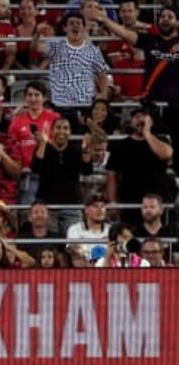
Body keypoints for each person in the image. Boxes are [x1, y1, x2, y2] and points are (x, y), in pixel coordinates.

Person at [88, 6, 179, 167]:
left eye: (170, 16)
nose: (165, 19)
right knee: (150, 149)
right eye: (162, 16)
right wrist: (105, 20)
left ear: (177, 22)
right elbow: (124, 33)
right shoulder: (151, 40)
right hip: (152, 105)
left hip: (176, 106)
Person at [32, 12, 109, 121]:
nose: (75, 26)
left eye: (79, 23)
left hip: (86, 104)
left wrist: (103, 94)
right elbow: (35, 47)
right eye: (71, 23)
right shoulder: (55, 44)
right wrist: (38, 33)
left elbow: (102, 72)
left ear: (84, 28)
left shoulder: (92, 49)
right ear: (64, 28)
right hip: (61, 104)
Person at [105, 110, 175, 223]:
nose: (140, 120)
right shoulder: (121, 145)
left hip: (157, 200)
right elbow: (112, 175)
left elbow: (166, 154)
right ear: (131, 122)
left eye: (144, 118)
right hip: (129, 199)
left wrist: (147, 133)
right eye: (136, 117)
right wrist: (113, 203)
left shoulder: (161, 140)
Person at [32, 117, 93, 234]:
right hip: (48, 206)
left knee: (73, 245)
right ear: (52, 131)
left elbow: (87, 170)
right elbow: (36, 168)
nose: (61, 131)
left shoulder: (76, 150)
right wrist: (43, 143)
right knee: (51, 245)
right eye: (58, 128)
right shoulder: (44, 148)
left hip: (72, 205)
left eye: (65, 128)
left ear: (70, 132)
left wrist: (86, 148)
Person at [7, 81, 60, 204]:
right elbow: (12, 149)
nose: (33, 99)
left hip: (51, 172)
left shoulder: (55, 118)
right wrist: (21, 168)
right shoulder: (17, 121)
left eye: (37, 95)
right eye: (30, 95)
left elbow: (61, 145)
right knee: (28, 212)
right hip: (27, 174)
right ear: (25, 98)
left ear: (44, 98)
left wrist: (45, 142)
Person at [66, 192, 111, 266]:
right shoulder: (74, 229)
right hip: (84, 273)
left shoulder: (111, 230)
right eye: (95, 206)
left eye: (103, 206)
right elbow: (75, 257)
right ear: (86, 209)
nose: (100, 210)